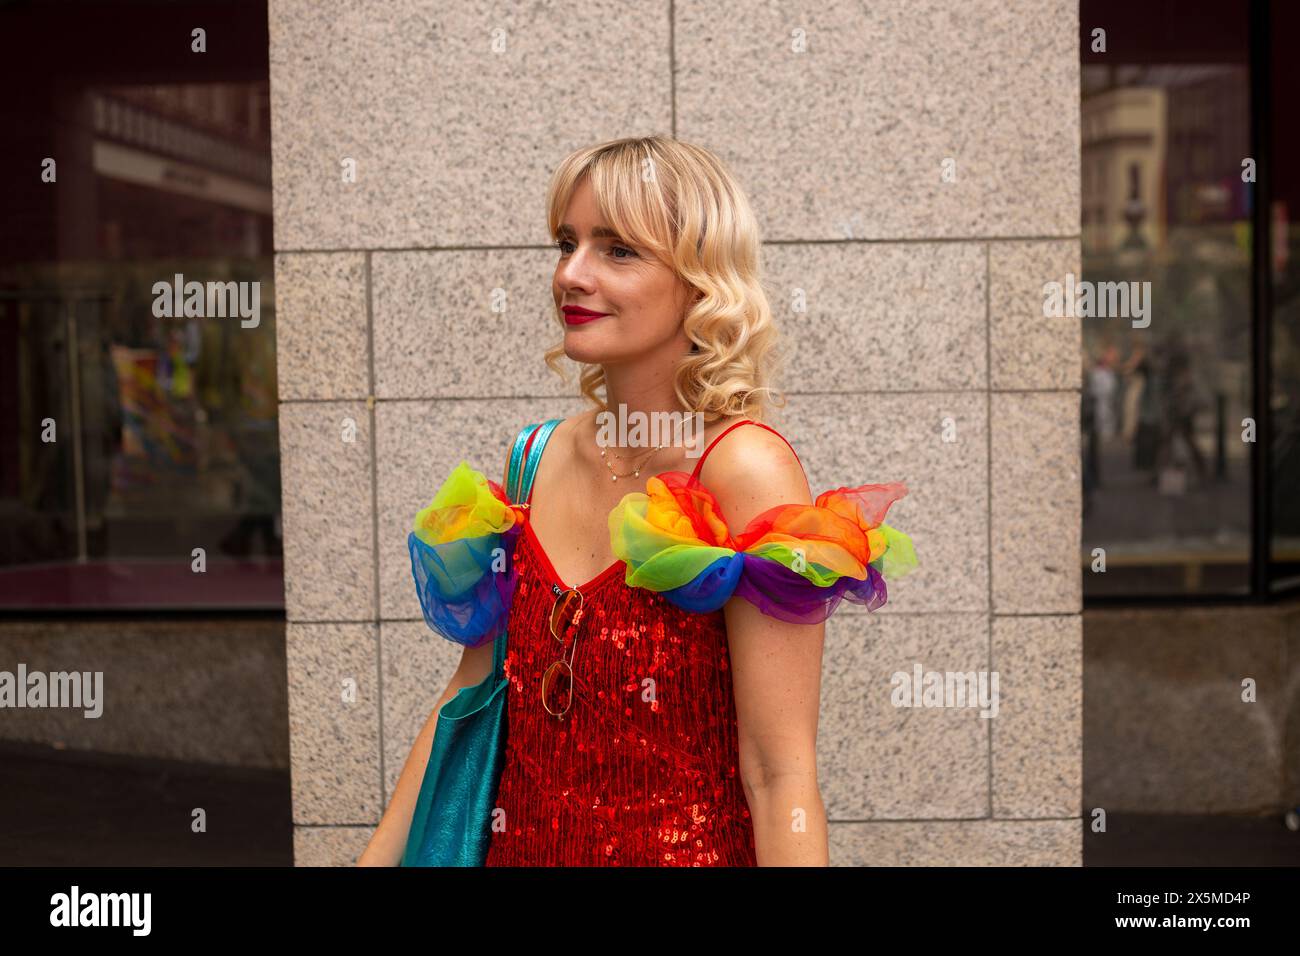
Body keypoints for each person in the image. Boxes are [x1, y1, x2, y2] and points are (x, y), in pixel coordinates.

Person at [359, 136, 917, 867]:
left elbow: (779, 774)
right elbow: (466, 695)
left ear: (700, 281)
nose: (571, 274)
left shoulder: (743, 469)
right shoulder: (530, 461)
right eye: (567, 242)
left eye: (617, 250)